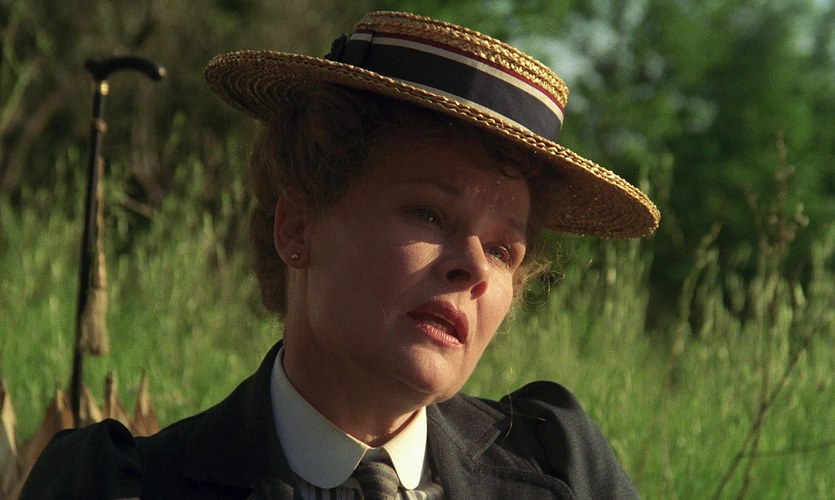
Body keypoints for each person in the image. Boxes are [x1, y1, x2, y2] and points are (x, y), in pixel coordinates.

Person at [22, 11, 659, 499]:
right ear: (297, 226)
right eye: (428, 214)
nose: (471, 266)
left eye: (502, 249)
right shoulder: (119, 485)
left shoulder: (560, 467)